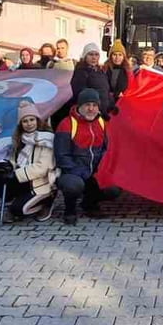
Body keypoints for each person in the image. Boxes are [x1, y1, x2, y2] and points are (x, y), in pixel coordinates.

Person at [54, 88, 119, 224]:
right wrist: (81, 173)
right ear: (79, 106)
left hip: (94, 171)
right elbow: (62, 156)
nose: (91, 109)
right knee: (73, 185)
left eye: (94, 105)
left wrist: (101, 170)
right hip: (73, 171)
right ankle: (70, 210)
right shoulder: (67, 124)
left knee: (113, 189)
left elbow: (107, 150)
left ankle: (90, 204)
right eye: (87, 105)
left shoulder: (102, 123)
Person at [0, 100, 59, 223]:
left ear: (37, 120)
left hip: (39, 183)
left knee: (18, 210)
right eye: (25, 121)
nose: (29, 124)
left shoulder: (47, 140)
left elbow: (42, 168)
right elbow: (14, 159)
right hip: (23, 181)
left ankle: (46, 202)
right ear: (20, 124)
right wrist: (8, 166)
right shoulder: (19, 139)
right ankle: (16, 200)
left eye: (32, 120)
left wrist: (16, 174)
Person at [72, 43, 113, 114]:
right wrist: (94, 108)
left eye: (96, 54)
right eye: (91, 54)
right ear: (85, 56)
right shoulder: (81, 72)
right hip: (91, 113)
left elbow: (105, 91)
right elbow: (80, 94)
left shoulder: (100, 71)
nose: (94, 57)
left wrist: (111, 104)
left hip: (104, 111)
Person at [103, 43, 130, 111]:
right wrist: (115, 94)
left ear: (124, 56)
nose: (117, 58)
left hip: (125, 105)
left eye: (120, 55)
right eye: (114, 55)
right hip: (109, 104)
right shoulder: (105, 70)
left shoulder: (129, 70)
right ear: (110, 56)